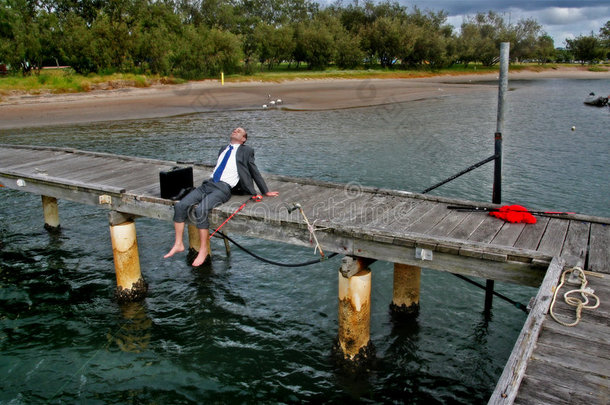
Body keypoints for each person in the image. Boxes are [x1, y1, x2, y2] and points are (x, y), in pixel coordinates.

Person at [164, 127, 279, 266]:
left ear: (244, 139)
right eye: (235, 129)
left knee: (201, 210)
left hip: (224, 188)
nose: (236, 130)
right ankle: (178, 244)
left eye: (240, 131)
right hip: (208, 184)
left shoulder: (246, 151)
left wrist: (265, 191)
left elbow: (254, 171)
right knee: (180, 206)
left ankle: (203, 250)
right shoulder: (223, 148)